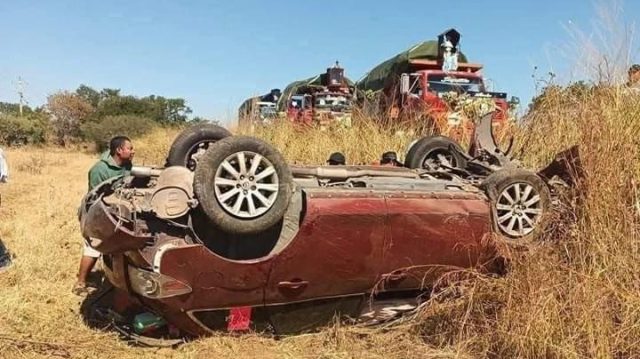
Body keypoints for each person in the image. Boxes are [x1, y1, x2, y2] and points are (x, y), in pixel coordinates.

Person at [72, 136, 134, 295]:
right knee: (93, 247)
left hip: (116, 211)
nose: (133, 151)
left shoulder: (127, 165)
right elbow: (95, 196)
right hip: (97, 211)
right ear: (119, 151)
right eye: (130, 148)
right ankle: (80, 282)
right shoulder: (99, 169)